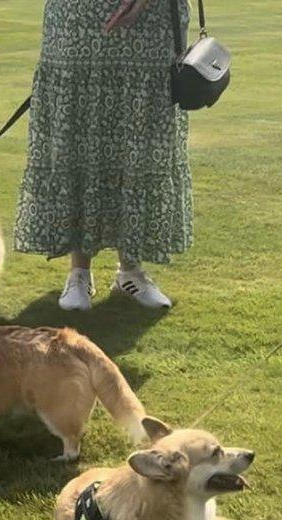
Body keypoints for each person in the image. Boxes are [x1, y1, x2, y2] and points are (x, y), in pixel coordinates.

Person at [14, 0, 192, 311]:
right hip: (78, 19)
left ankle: (131, 270)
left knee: (141, 136)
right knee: (77, 131)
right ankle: (79, 270)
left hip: (152, 23)